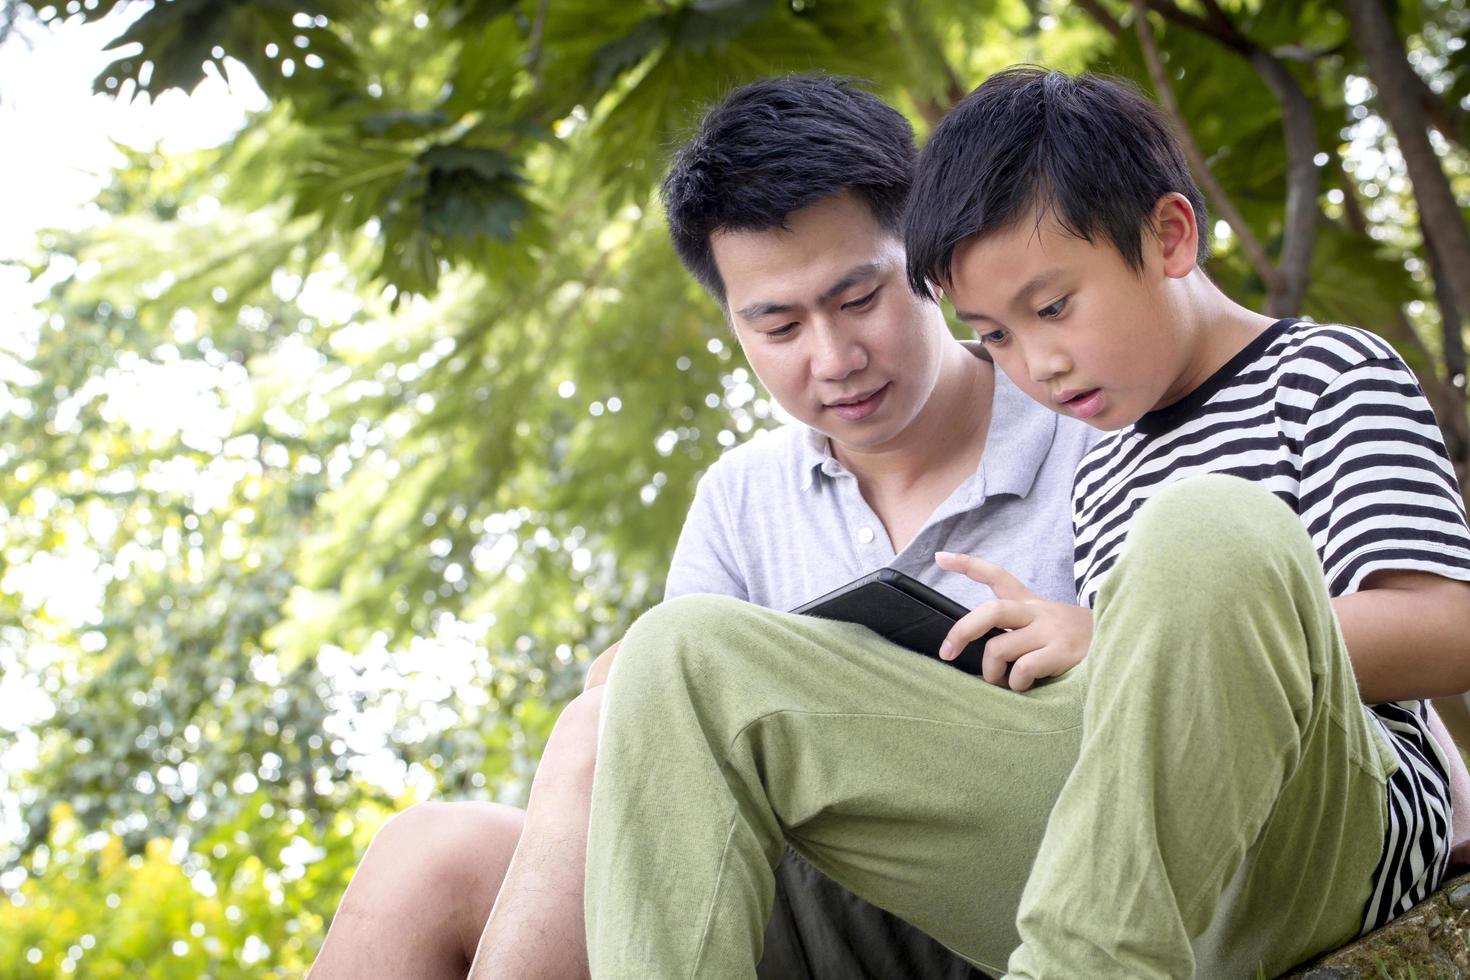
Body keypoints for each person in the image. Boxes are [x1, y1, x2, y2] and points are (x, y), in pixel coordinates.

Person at [582, 67, 1470, 978]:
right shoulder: (1110, 450)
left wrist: (1120, 639)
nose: (1036, 364)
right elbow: (1120, 723)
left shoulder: (1324, 372)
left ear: (1169, 235)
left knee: (1205, 529)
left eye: (1052, 309)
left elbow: (1448, 629)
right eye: (995, 335)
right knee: (678, 652)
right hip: (1125, 843)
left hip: (1315, 839)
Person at [307, 75, 1097, 979]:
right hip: (802, 911)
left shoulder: (1085, 426)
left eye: (857, 299)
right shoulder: (742, 495)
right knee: (436, 849)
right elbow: (654, 742)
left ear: (926, 256)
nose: (834, 360)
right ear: (732, 323)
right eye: (778, 325)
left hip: (1019, 887)